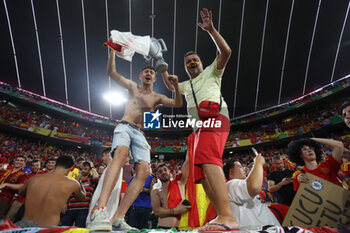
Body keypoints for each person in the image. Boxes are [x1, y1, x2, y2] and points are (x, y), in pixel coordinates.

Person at [89, 49, 182, 231]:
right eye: (146, 71)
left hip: (140, 133)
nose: (149, 73)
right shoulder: (133, 87)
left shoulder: (157, 97)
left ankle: (118, 217)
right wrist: (112, 52)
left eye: (151, 72)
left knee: (144, 172)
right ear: (141, 76)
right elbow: (111, 73)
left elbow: (178, 103)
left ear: (154, 78)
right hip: (125, 126)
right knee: (121, 154)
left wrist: (176, 86)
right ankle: (100, 209)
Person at [161, 8, 238, 231]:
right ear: (186, 68)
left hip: (215, 118)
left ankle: (227, 215)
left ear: (201, 62)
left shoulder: (213, 72)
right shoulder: (185, 86)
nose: (192, 63)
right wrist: (162, 63)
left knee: (207, 158)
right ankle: (221, 215)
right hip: (197, 129)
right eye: (188, 62)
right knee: (198, 173)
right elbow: (169, 84)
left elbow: (226, 51)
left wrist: (211, 29)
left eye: (194, 60)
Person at [15, 155, 86, 227]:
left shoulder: (35, 178)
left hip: (24, 226)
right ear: (70, 168)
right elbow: (83, 199)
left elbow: (21, 191)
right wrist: (79, 181)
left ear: (55, 165)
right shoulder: (73, 183)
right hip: (48, 227)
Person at [224, 155, 281, 228]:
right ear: (231, 171)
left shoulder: (240, 185)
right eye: (240, 167)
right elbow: (254, 187)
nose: (244, 169)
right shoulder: (231, 184)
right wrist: (258, 163)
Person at [151, 159, 190, 229]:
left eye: (165, 170)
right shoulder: (155, 191)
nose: (163, 172)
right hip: (164, 227)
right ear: (157, 175)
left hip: (183, 226)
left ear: (169, 171)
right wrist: (174, 211)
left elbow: (187, 162)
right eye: (160, 171)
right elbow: (156, 211)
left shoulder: (180, 183)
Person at [61, 161, 98, 228]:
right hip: (70, 208)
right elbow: (69, 192)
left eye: (85, 169)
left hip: (83, 209)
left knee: (79, 229)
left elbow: (96, 177)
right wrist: (64, 203)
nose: (83, 171)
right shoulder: (73, 178)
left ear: (89, 170)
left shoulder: (91, 179)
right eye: (81, 169)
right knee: (64, 228)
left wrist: (92, 166)